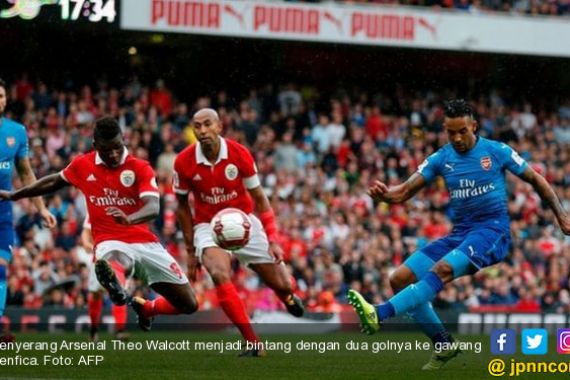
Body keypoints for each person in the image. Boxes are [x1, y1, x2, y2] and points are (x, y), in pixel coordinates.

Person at [347, 99, 570, 369]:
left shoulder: (497, 151)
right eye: (450, 132)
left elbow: (536, 179)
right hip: (461, 234)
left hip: (492, 231)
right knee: (400, 279)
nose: (457, 138)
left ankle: (379, 313)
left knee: (441, 269)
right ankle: (443, 344)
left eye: (462, 131)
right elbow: (404, 191)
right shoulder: (442, 157)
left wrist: (561, 215)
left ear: (474, 126)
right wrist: (385, 195)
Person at [0, 116, 199, 331]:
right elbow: (52, 181)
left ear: (123, 140)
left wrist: (129, 218)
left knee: (189, 304)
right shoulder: (83, 165)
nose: (113, 154)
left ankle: (147, 308)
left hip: (146, 242)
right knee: (116, 258)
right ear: (95, 146)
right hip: (109, 241)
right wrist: (15, 195)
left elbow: (153, 207)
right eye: (106, 150)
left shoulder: (140, 167)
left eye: (117, 147)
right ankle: (117, 285)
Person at [172, 108, 304, 357]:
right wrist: (190, 251)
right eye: (197, 127)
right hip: (207, 226)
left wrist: (273, 239)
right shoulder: (184, 162)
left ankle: (286, 297)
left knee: (284, 284)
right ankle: (253, 342)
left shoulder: (239, 154)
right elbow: (181, 206)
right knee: (220, 274)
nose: (202, 131)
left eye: (207, 125)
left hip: (244, 222)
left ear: (219, 127)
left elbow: (261, 200)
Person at [0, 78, 56, 343]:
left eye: (0, 95)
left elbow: (26, 173)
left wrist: (42, 208)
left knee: (0, 270)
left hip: (3, 213)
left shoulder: (16, 132)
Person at [81, 213, 128, 341]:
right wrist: (86, 243)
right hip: (99, 257)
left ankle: (120, 331)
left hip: (117, 259)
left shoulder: (124, 208)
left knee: (119, 291)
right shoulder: (96, 205)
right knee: (96, 294)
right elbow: (86, 230)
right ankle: (94, 329)